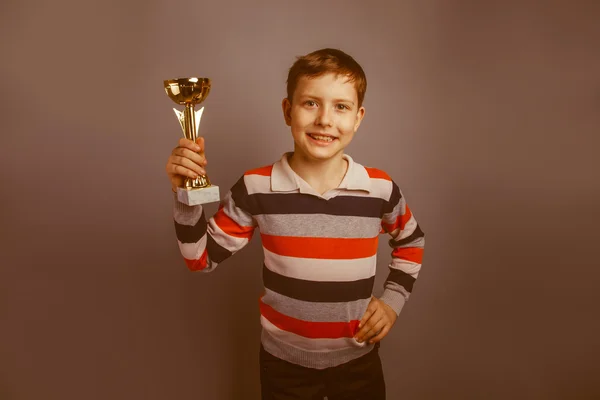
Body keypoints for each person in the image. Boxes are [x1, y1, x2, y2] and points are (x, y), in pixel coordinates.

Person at [165, 48, 425, 400]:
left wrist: (392, 302)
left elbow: (411, 241)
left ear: (358, 118)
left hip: (358, 363)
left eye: (341, 107)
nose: (325, 120)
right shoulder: (255, 187)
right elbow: (199, 257)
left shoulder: (378, 188)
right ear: (288, 111)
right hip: (283, 367)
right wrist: (185, 192)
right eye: (311, 103)